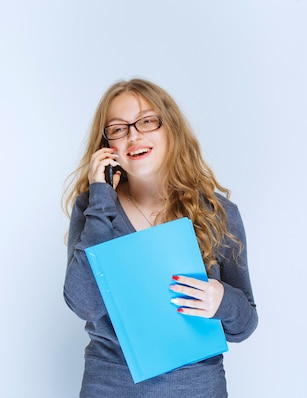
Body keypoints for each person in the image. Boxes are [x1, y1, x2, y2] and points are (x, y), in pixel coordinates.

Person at [62, 78, 258, 397]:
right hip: (110, 387)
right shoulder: (93, 208)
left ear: (171, 129)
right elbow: (83, 304)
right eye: (118, 128)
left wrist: (220, 298)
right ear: (106, 145)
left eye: (147, 121)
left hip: (196, 388)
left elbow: (244, 325)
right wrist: (101, 198)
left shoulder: (217, 212)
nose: (134, 134)